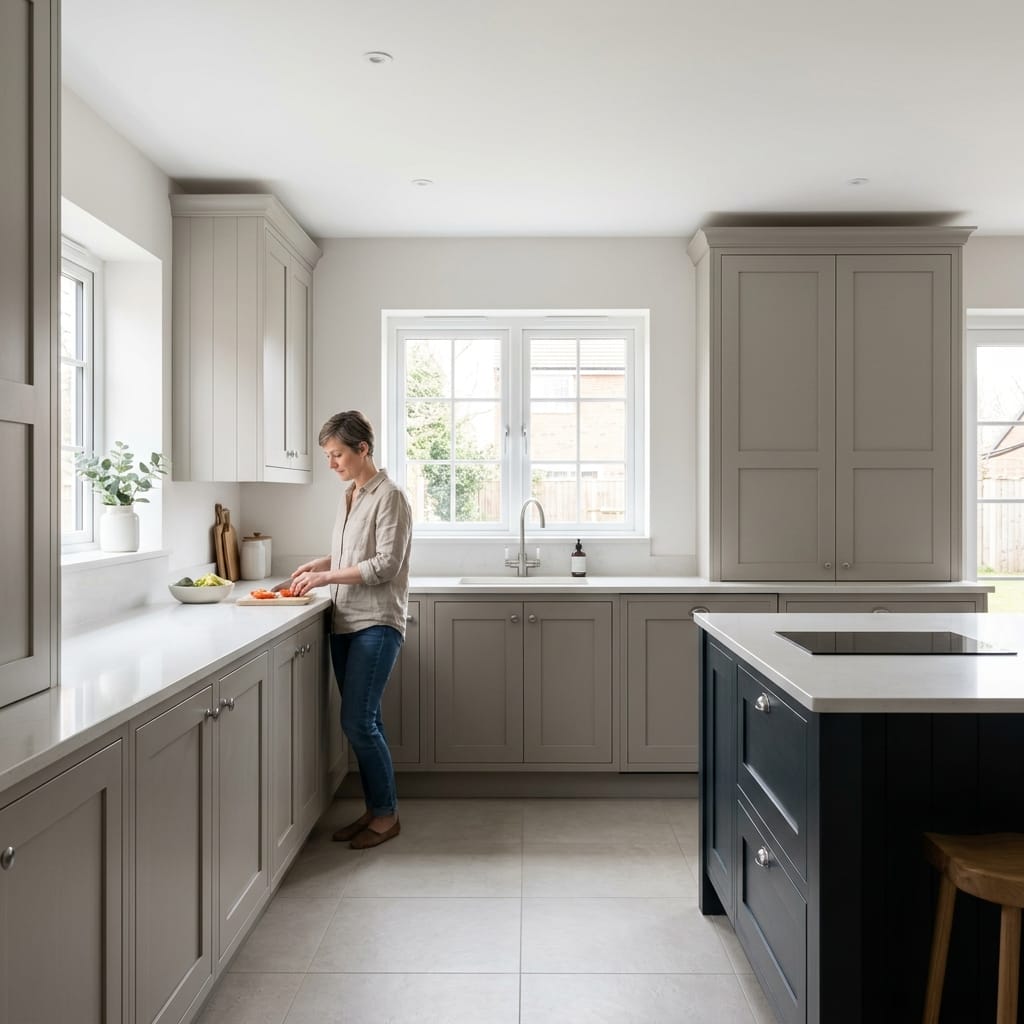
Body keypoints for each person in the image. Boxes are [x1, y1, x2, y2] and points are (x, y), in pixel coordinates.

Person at [287, 410, 412, 849]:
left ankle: (387, 815)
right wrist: (322, 562)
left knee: (357, 720)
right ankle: (378, 808)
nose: (331, 463)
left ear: (363, 449)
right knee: (366, 719)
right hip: (346, 622)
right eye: (327, 455)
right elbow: (353, 552)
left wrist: (325, 579)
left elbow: (384, 565)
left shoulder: (389, 496)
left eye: (337, 454)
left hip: (376, 623)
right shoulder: (351, 495)